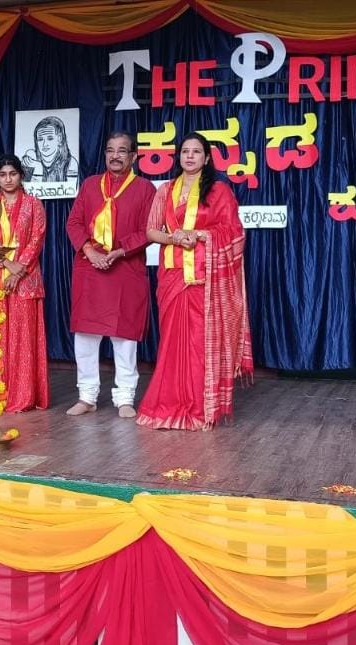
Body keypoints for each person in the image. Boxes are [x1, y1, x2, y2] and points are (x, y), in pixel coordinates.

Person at [136, 133, 253, 431]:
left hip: (204, 279)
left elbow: (234, 232)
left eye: (196, 152)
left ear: (207, 158)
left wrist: (200, 234)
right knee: (171, 345)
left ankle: (201, 409)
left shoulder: (218, 191)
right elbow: (151, 231)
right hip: (173, 276)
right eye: (185, 151)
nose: (189, 156)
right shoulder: (165, 190)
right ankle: (168, 405)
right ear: (178, 156)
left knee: (200, 346)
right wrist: (174, 238)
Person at [65, 131, 156, 418]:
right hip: (89, 268)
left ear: (133, 156)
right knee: (86, 335)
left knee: (124, 336)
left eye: (122, 151)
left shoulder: (145, 189)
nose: (115, 156)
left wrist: (119, 251)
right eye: (110, 150)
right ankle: (87, 396)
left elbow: (148, 230)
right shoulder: (90, 185)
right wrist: (90, 251)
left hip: (126, 268)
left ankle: (125, 398)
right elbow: (74, 223)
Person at [0, 154, 49, 411]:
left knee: (22, 341)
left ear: (21, 176)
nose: (8, 179)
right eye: (3, 175)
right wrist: (6, 264)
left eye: (12, 174)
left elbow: (37, 239)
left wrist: (18, 270)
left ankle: (22, 396)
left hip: (25, 281)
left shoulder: (34, 205)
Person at [21, 116, 79, 182]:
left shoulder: (70, 163)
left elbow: (71, 188)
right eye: (40, 139)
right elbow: (26, 187)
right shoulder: (30, 160)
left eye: (50, 138)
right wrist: (36, 169)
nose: (44, 144)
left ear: (59, 139)